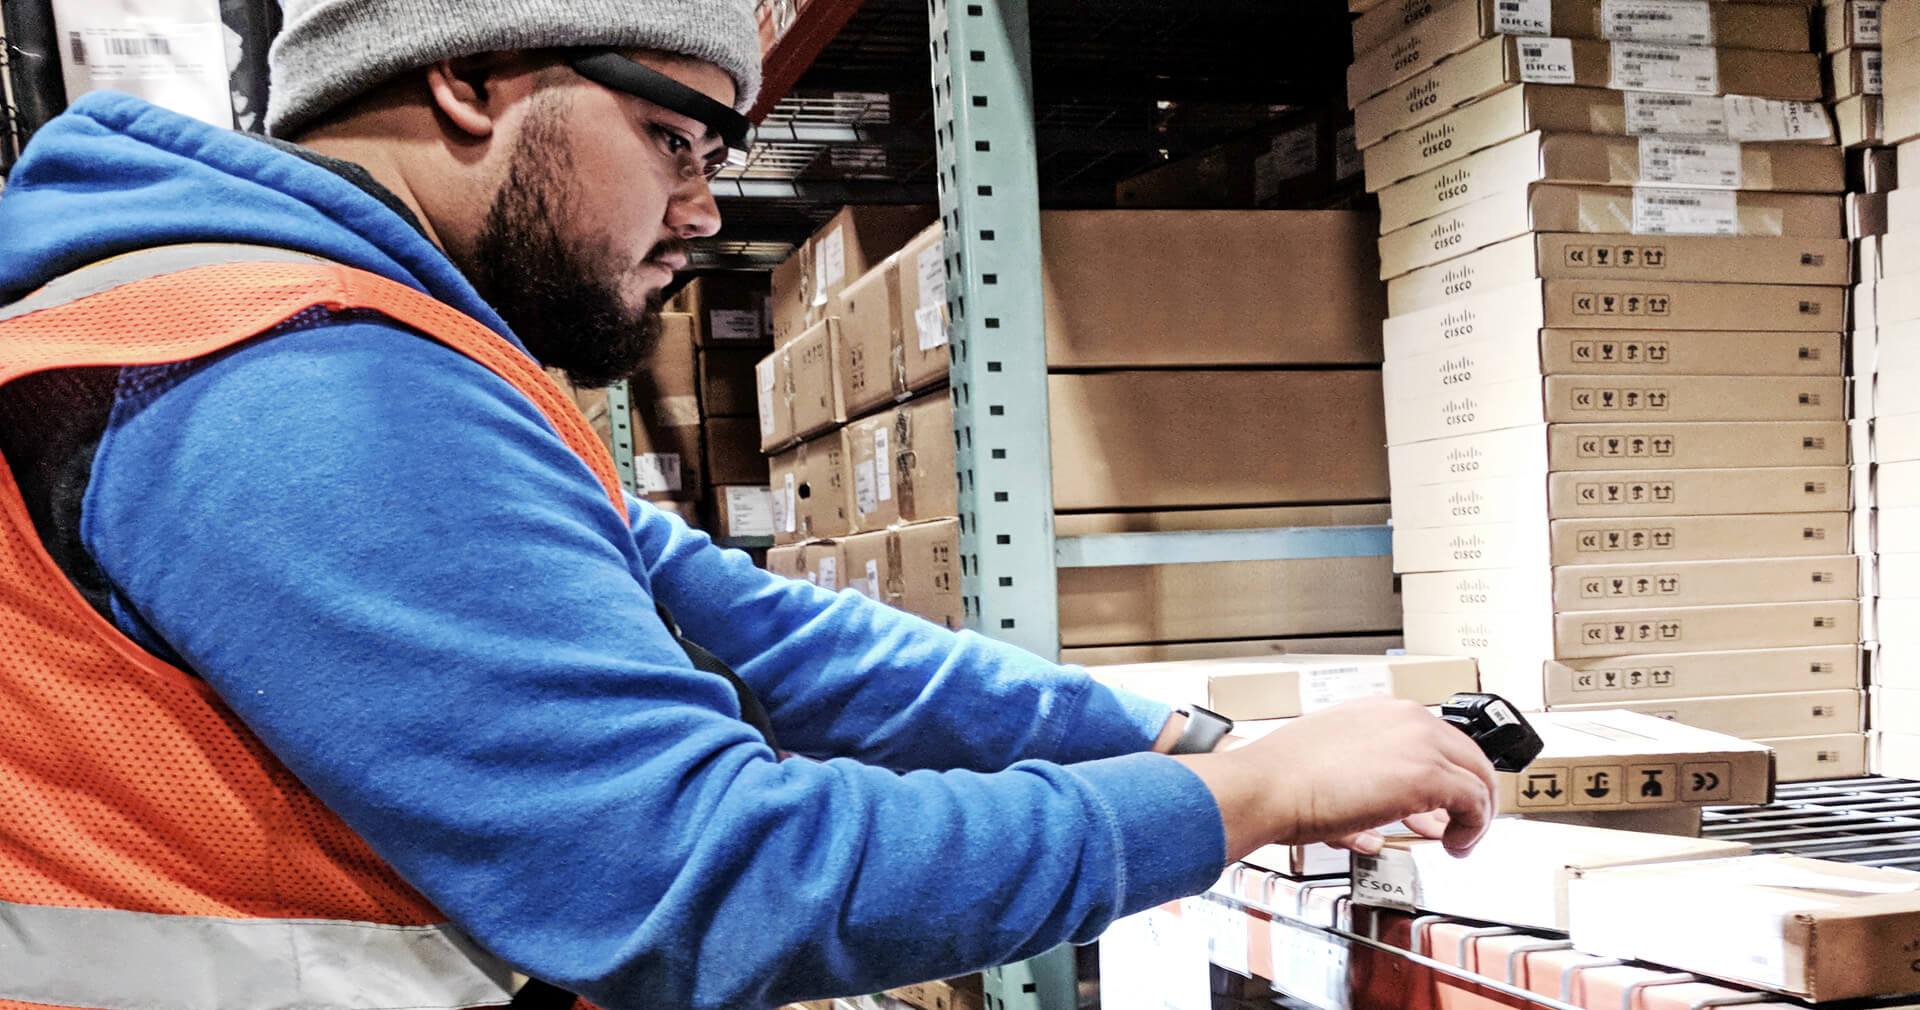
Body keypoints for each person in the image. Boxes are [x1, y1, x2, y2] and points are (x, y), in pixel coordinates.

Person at [0, 1, 1498, 1007]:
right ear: (470, 76)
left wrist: (1179, 740)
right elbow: (705, 871)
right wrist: (1242, 803)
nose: (707, 209)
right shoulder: (294, 382)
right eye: (675, 138)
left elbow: (773, 640)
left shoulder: (385, 344)